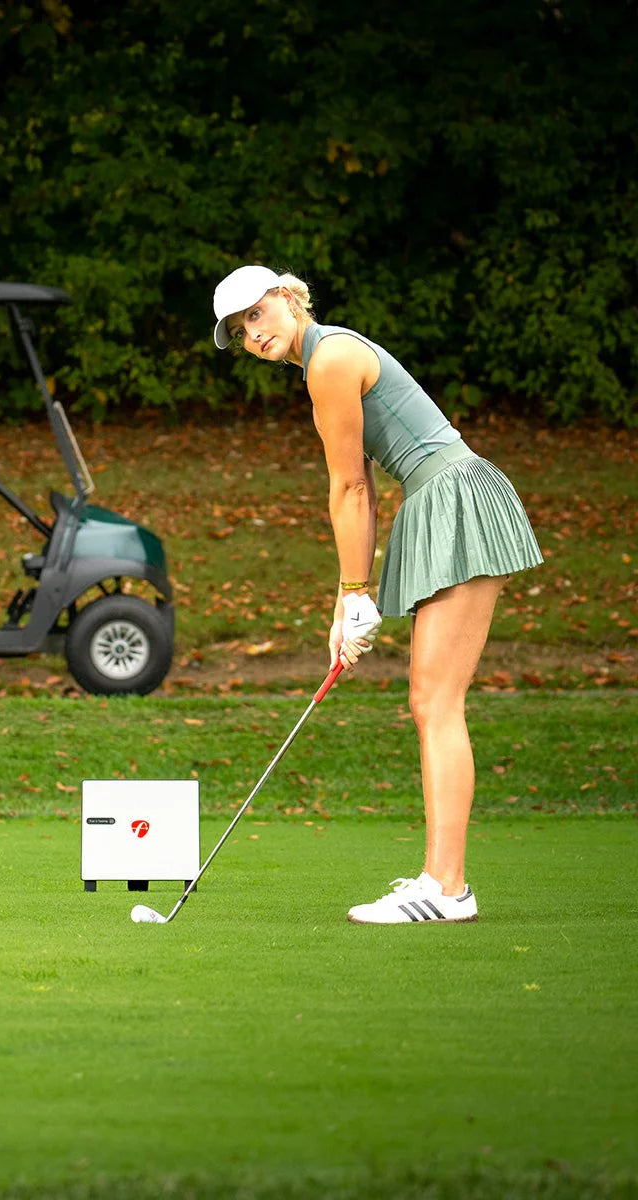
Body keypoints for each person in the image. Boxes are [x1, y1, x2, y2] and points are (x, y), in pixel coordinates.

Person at [212, 264, 543, 925]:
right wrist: (350, 597)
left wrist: (355, 594)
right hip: (443, 497)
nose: (252, 332)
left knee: (435, 701)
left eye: (256, 313)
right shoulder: (328, 352)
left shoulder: (328, 359)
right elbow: (358, 482)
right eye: (238, 329)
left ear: (285, 298)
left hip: (452, 496)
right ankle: (444, 882)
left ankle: (445, 888)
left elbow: (350, 489)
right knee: (431, 701)